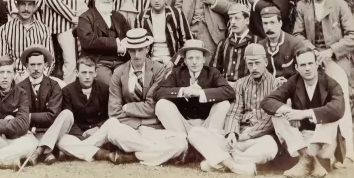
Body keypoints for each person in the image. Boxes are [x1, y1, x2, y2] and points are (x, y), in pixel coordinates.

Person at [293, 0, 354, 164]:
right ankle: (320, 150)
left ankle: (348, 151)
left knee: (340, 99)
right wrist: (312, 50)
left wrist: (331, 51)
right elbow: (297, 34)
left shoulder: (339, 5)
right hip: (313, 60)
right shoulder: (303, 6)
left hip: (336, 60)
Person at [188, 44, 280, 176]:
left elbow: (270, 118)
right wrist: (231, 133)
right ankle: (234, 166)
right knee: (195, 133)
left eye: (257, 63)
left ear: (265, 61)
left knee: (270, 146)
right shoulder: (240, 83)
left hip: (257, 139)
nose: (254, 67)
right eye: (250, 64)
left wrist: (248, 135)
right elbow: (234, 112)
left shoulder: (276, 85)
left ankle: (221, 161)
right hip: (236, 137)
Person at [104, 28, 187, 166]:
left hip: (152, 128)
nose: (136, 55)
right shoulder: (118, 73)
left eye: (140, 50)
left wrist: (127, 108)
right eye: (132, 50)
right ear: (128, 50)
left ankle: (134, 156)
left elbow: (152, 106)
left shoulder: (158, 70)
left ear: (147, 49)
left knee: (180, 143)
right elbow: (113, 112)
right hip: (129, 128)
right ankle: (158, 152)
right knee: (113, 132)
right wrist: (137, 121)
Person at [261, 47, 347, 178]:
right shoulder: (293, 82)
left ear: (316, 64)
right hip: (301, 141)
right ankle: (310, 160)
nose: (307, 68)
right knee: (278, 115)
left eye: (310, 63)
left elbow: (339, 108)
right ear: (296, 67)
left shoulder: (331, 84)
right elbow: (267, 101)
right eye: (303, 65)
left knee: (330, 116)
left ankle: (306, 161)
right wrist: (290, 112)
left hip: (324, 143)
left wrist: (304, 114)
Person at [154, 39, 236, 138]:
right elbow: (158, 92)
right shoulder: (177, 73)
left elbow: (229, 91)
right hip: (183, 124)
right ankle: (182, 139)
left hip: (207, 124)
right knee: (161, 104)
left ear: (204, 60)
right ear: (185, 61)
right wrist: (183, 91)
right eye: (190, 58)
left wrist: (200, 93)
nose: (194, 62)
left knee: (224, 104)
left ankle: (210, 138)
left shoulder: (212, 73)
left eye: (198, 58)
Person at [57, 57, 130, 163]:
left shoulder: (104, 89)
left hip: (98, 133)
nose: (87, 77)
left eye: (90, 72)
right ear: (77, 73)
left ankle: (79, 150)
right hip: (78, 135)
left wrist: (97, 128)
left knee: (113, 122)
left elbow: (109, 115)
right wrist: (81, 135)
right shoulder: (67, 91)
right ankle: (104, 154)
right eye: (84, 72)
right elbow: (69, 120)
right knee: (62, 141)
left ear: (95, 73)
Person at [19, 45, 73, 167]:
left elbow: (52, 116)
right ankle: (47, 151)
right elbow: (20, 117)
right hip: (30, 133)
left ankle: (39, 151)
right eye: (32, 65)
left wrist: (29, 116)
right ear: (26, 66)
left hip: (51, 130)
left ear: (45, 65)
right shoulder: (19, 87)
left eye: (39, 64)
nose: (36, 68)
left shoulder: (54, 86)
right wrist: (28, 118)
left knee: (67, 115)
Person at [76, 0, 131, 86]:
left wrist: (124, 48)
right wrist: (116, 43)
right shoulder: (86, 17)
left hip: (120, 61)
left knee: (128, 84)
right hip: (98, 62)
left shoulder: (118, 17)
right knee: (110, 86)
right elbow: (88, 41)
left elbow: (129, 37)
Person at [0, 0, 55, 83]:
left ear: (34, 6)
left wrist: (40, 78)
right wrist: (16, 77)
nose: (26, 8)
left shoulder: (44, 29)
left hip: (39, 78)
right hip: (14, 81)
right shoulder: (4, 30)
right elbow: (1, 61)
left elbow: (50, 60)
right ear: (17, 6)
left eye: (30, 4)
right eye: (23, 4)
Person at [135, 0, 192, 66]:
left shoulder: (177, 14)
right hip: (150, 63)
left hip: (173, 62)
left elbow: (187, 42)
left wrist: (173, 62)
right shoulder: (141, 18)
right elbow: (138, 45)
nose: (157, 0)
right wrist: (149, 63)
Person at [258, 6, 312, 83]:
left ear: (280, 23)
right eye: (265, 23)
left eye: (272, 22)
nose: (269, 27)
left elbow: (303, 73)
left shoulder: (295, 44)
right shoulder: (260, 46)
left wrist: (288, 83)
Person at [212, 4, 257, 85]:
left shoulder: (256, 42)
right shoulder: (223, 43)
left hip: (248, 88)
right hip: (225, 88)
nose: (233, 22)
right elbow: (214, 71)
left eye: (237, 18)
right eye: (231, 18)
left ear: (247, 20)